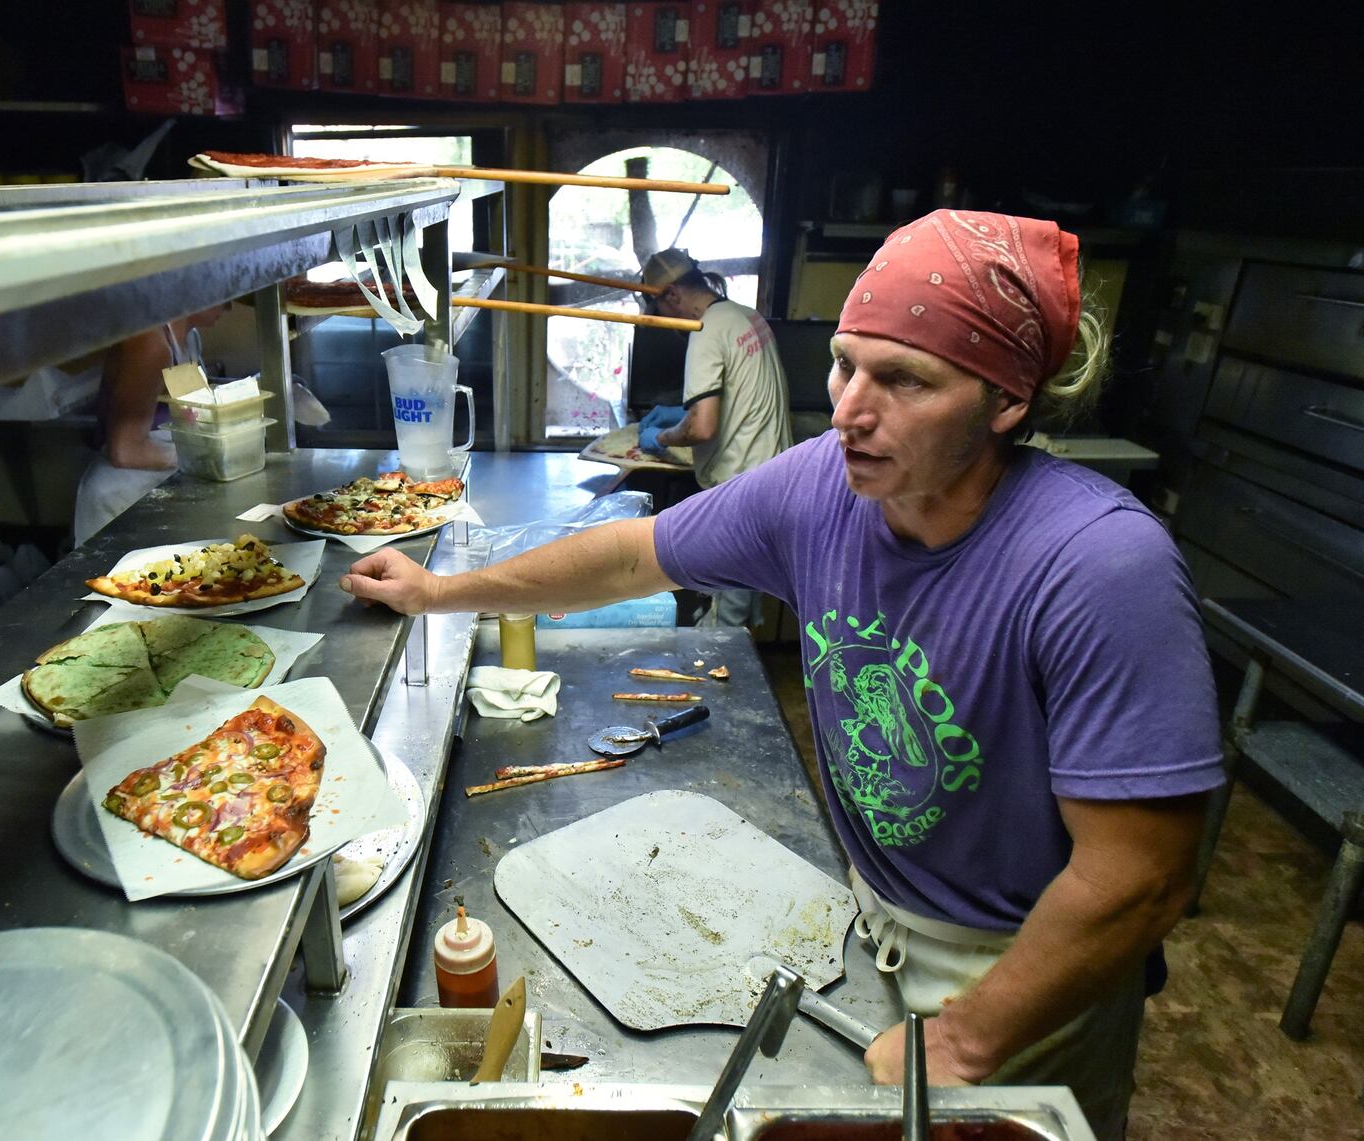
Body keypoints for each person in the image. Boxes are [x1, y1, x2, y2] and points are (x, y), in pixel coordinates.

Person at [339, 210, 1223, 1140]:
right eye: (845, 364)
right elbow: (633, 558)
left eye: (904, 380)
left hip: (1020, 968)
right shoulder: (819, 490)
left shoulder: (1097, 565)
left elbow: (1141, 877)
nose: (848, 409)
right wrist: (443, 590)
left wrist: (962, 1039)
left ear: (1006, 401)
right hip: (873, 916)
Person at [636, 248, 792, 627]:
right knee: (743, 606)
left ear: (672, 294)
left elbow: (702, 427)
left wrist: (662, 437)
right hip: (776, 481)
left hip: (741, 494)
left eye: (658, 309)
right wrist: (681, 412)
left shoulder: (705, 329)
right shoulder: (743, 315)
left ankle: (722, 682)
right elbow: (738, 397)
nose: (662, 320)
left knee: (723, 622)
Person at [72, 302, 231, 546]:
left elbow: (191, 417)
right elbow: (125, 451)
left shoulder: (190, 339)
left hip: (156, 485)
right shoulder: (151, 344)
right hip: (120, 497)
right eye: (225, 293)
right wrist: (203, 456)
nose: (230, 305)